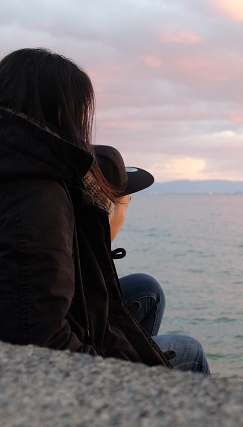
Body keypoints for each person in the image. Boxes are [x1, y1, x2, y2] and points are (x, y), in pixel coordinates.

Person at [0, 48, 208, 373]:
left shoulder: (21, 169)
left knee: (146, 289)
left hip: (54, 329)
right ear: (59, 112)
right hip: (51, 369)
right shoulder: (37, 192)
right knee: (190, 351)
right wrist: (117, 375)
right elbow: (41, 339)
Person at [94, 145, 209, 373]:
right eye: (126, 204)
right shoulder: (73, 251)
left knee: (147, 289)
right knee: (191, 350)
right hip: (80, 347)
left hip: (85, 323)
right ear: (106, 209)